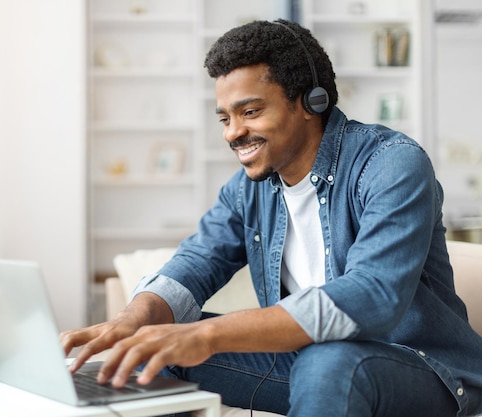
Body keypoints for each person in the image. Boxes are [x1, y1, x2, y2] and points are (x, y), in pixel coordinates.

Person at [61, 19, 482, 417]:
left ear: (309, 102)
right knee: (153, 349)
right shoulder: (250, 188)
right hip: (312, 361)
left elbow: (372, 296)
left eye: (250, 112)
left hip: (425, 371)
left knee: (329, 360)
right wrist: (130, 321)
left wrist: (206, 335)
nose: (232, 132)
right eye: (225, 118)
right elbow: (196, 262)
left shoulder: (390, 164)